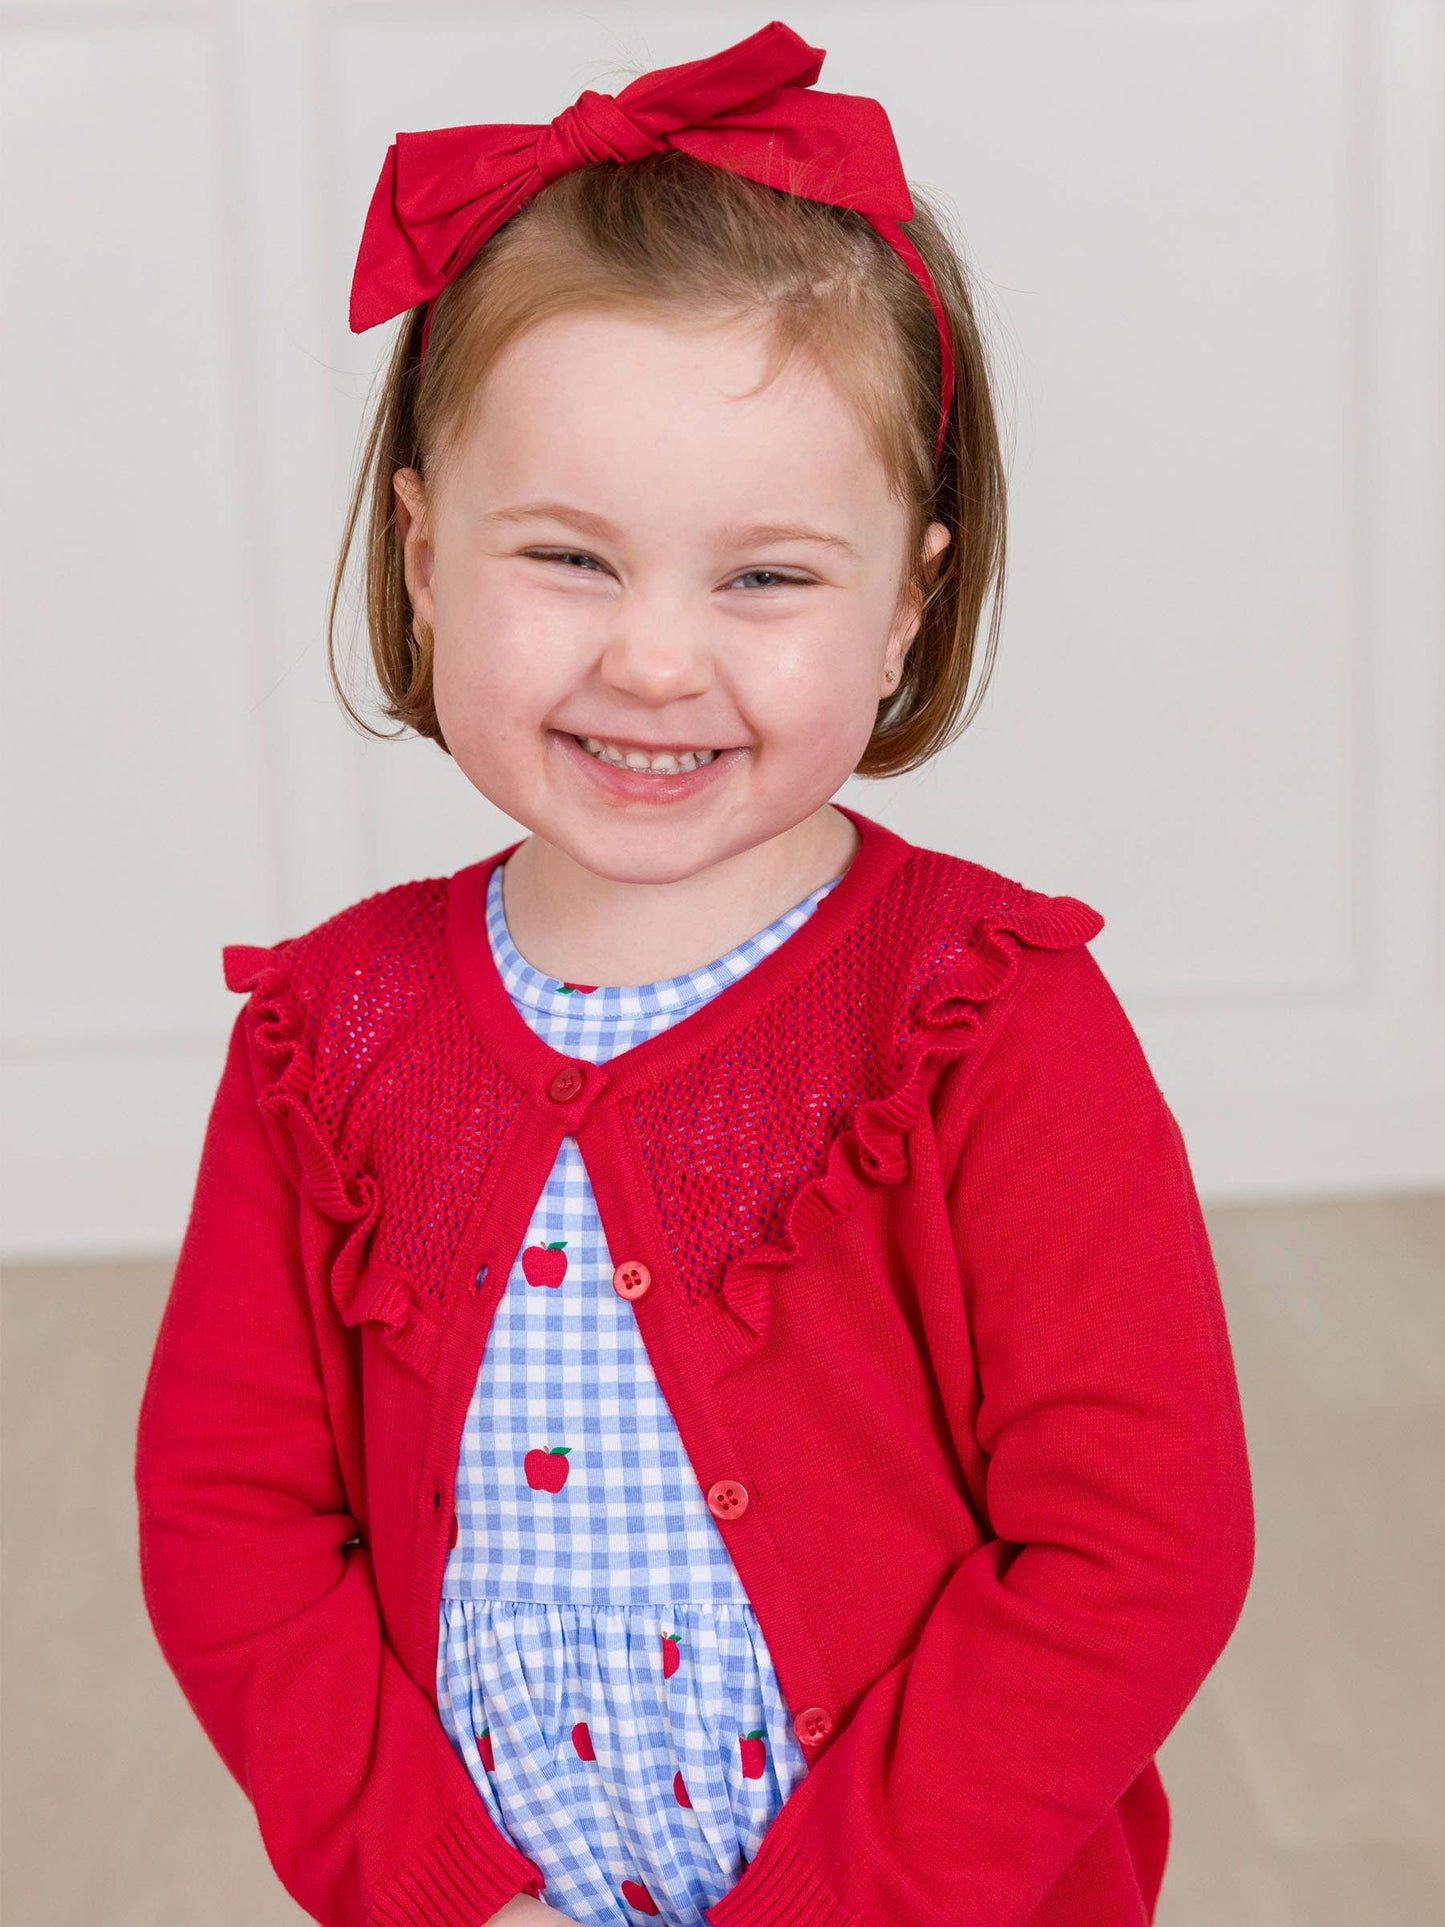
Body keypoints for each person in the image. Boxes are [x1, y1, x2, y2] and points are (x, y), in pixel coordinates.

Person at [133, 19, 1254, 1927]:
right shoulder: (327, 1034)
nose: (655, 661)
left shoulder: (984, 1017)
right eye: (569, 558)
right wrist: (436, 1888)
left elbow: (1134, 1545)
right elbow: (231, 1518)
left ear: (903, 603)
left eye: (765, 578)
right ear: (423, 556)